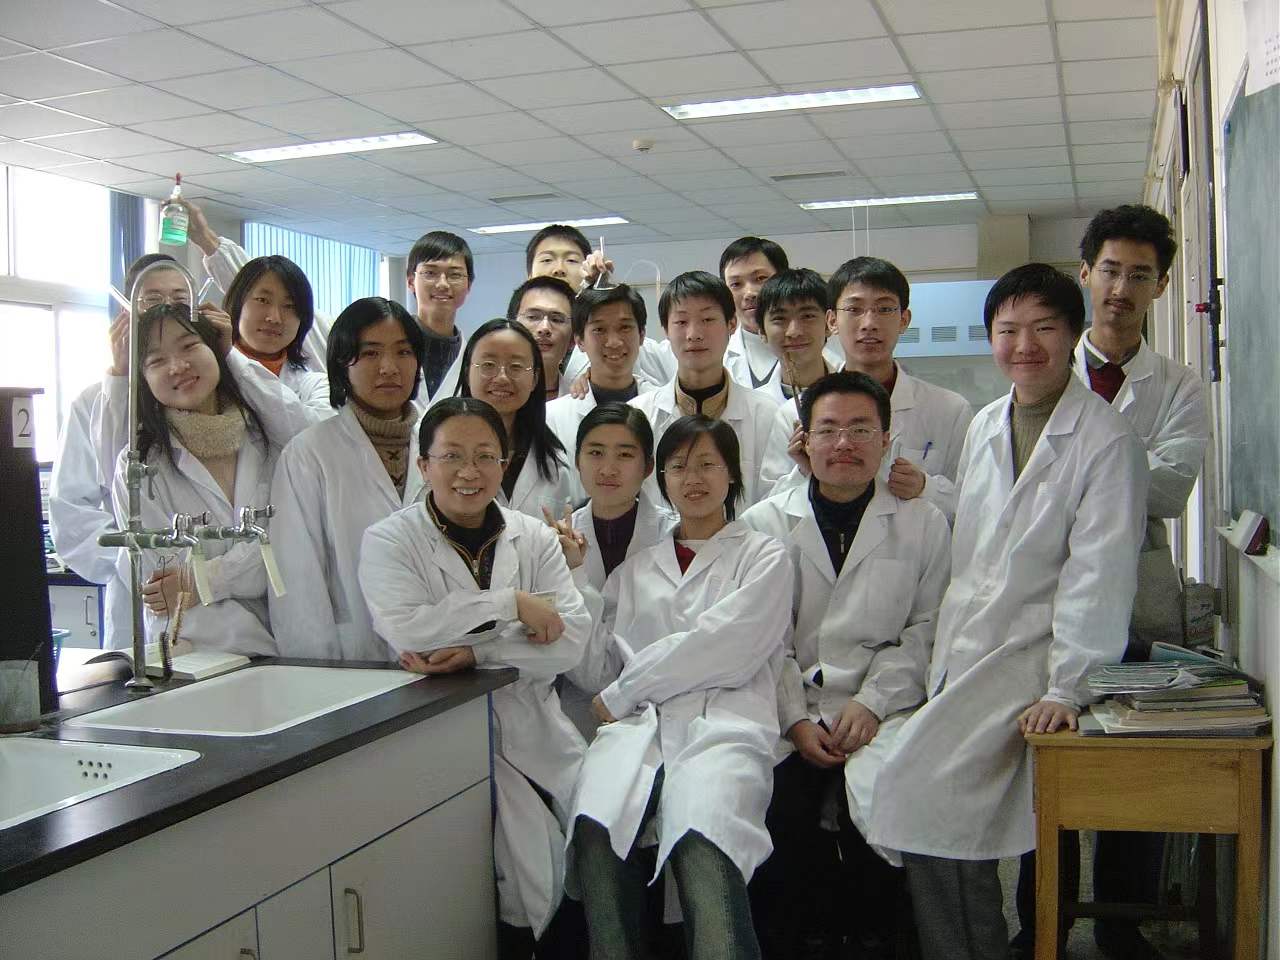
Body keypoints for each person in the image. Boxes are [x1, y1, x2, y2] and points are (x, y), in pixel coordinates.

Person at [866, 264, 1149, 960]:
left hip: (1035, 659)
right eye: (1008, 330)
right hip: (966, 649)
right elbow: (979, 538)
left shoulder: (1106, 441)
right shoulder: (989, 421)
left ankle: (973, 948)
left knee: (921, 794)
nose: (1025, 345)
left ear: (1074, 334)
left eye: (1044, 328)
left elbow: (1099, 576)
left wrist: (1066, 688)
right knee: (929, 810)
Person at [1013, 205, 1211, 959]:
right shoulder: (1046, 368)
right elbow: (1032, 486)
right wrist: (1115, 470)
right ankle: (1043, 924)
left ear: (1160, 287)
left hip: (1139, 602)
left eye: (1140, 275)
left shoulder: (1178, 385)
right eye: (1110, 271)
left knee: (1132, 777)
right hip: (1043, 598)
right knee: (1045, 773)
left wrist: (1088, 468)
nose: (1121, 289)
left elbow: (1171, 489)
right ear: (1085, 273)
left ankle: (1121, 928)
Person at [358, 397, 590, 958]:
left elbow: (570, 639)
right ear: (424, 465)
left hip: (535, 729)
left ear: (504, 464)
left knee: (566, 866)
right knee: (473, 889)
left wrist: (473, 652)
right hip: (438, 739)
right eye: (452, 456)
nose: (470, 471)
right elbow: (407, 628)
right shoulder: (389, 540)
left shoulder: (534, 537)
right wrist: (511, 604)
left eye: (486, 456)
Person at [743, 371, 950, 960]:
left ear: (887, 440)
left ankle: (876, 936)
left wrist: (872, 703)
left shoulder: (922, 523)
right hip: (793, 709)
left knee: (888, 803)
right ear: (804, 441)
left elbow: (928, 628)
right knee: (780, 806)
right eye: (828, 429)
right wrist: (794, 719)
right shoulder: (765, 524)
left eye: (861, 429)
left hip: (886, 706)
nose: (844, 444)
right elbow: (763, 641)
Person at [569, 415, 792, 960]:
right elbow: (597, 669)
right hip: (640, 729)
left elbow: (725, 646)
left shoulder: (763, 556)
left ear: (732, 474)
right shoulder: (635, 570)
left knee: (702, 838)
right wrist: (574, 578)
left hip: (724, 724)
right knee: (596, 831)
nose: (693, 478)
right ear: (661, 478)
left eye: (707, 464)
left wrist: (625, 692)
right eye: (678, 466)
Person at [110, 300, 302, 656]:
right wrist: (222, 576)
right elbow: (167, 582)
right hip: (196, 655)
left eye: (189, 346)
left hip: (289, 651)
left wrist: (204, 580)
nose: (177, 366)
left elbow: (292, 550)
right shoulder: (139, 468)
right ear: (143, 380)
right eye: (156, 361)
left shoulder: (268, 441)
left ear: (216, 350)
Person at [269, 298, 428, 662]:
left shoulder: (439, 445)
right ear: (342, 363)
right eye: (370, 353)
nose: (389, 367)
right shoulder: (309, 454)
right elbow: (297, 578)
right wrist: (316, 673)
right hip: (349, 659)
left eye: (403, 352)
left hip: (439, 657)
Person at [49, 253, 178, 651]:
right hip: (136, 599)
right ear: (127, 312)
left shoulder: (211, 396)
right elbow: (71, 514)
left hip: (217, 595)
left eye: (180, 300)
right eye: (152, 300)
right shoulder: (92, 403)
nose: (167, 310)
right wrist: (141, 564)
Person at [785, 257, 973, 522]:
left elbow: (973, 508)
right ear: (832, 321)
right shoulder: (795, 412)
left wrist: (926, 488)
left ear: (904, 319)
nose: (869, 323)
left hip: (916, 545)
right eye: (854, 309)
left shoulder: (950, 410)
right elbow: (771, 511)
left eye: (884, 309)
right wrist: (808, 471)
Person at [543, 403, 676, 739]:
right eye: (596, 453)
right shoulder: (551, 543)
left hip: (662, 707)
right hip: (577, 715)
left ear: (648, 467)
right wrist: (572, 569)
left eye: (625, 455)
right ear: (577, 461)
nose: (608, 469)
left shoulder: (673, 535)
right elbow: (581, 664)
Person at [629, 271, 790, 507]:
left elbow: (775, 501)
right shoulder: (639, 415)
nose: (694, 334)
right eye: (681, 322)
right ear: (665, 330)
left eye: (707, 320)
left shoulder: (767, 414)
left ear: (731, 324)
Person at [546, 284, 660, 500]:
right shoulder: (552, 418)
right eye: (599, 329)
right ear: (579, 341)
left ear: (642, 334)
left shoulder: (665, 410)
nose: (614, 342)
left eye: (625, 327)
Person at [454, 319, 576, 520]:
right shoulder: (441, 450)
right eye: (488, 365)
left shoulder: (555, 462)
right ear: (467, 372)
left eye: (516, 366)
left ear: (535, 378)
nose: (502, 377)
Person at [534, 223, 675, 387]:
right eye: (547, 259)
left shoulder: (638, 345)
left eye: (571, 260)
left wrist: (599, 291)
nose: (559, 269)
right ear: (529, 273)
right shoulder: (518, 335)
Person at [222, 254, 331, 415]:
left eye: (289, 306)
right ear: (238, 302)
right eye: (262, 300)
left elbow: (308, 428)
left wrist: (231, 357)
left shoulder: (317, 385)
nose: (274, 318)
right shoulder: (209, 369)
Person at [404, 230, 474, 402]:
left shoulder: (474, 357)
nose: (442, 284)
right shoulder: (390, 345)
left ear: (469, 285)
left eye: (455, 275)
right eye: (430, 273)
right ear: (411, 281)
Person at [752, 268, 835, 408]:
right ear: (762, 332)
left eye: (807, 316)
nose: (794, 332)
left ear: (829, 324)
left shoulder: (860, 397)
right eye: (779, 318)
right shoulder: (753, 407)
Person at [509, 276, 577, 402]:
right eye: (533, 317)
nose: (544, 328)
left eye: (556, 320)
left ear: (574, 339)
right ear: (511, 327)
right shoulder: (485, 394)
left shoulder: (581, 401)